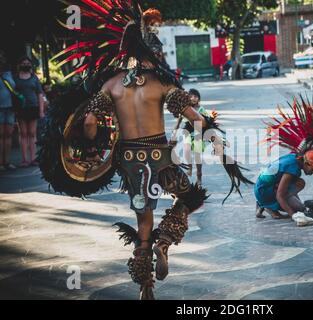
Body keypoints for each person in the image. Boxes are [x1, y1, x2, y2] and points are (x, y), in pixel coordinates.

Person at [39, 2, 253, 300]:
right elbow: (196, 118)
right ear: (154, 53)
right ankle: (164, 241)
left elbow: (88, 122)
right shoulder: (162, 84)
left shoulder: (113, 84)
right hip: (160, 159)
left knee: (143, 220)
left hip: (130, 162)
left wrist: (93, 141)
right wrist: (209, 130)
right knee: (190, 198)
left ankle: (146, 288)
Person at [255, 93, 313, 226]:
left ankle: (262, 204)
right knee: (296, 204)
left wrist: (299, 207)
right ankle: (269, 206)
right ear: (306, 162)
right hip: (264, 191)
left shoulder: (295, 158)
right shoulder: (292, 167)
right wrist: (295, 215)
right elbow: (281, 195)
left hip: (261, 186)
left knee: (299, 186)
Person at [13, 56, 44, 167]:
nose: (26, 64)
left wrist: (41, 110)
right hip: (21, 108)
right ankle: (24, 160)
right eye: (24, 63)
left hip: (33, 107)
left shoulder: (34, 78)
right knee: (23, 133)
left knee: (32, 133)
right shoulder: (15, 78)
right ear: (20, 65)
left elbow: (40, 94)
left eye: (28, 63)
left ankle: (33, 158)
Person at [182, 89, 212, 187]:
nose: (193, 98)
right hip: (187, 131)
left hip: (198, 132)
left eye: (195, 96)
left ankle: (199, 176)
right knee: (186, 149)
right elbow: (179, 120)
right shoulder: (185, 108)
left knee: (197, 155)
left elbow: (207, 121)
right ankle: (189, 168)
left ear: (198, 98)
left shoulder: (201, 109)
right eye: (191, 96)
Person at [0, 51, 16, 171]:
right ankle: (1, 162)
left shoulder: (8, 73)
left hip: (9, 108)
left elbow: (13, 86)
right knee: (1, 136)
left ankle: (7, 162)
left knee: (8, 135)